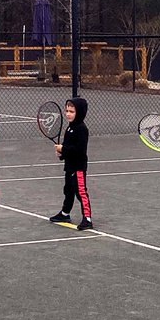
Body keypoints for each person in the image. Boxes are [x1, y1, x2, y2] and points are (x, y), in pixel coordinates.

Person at [48, 97, 93, 230]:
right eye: (67, 111)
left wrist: (63, 149)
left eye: (72, 111)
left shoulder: (81, 129)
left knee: (81, 192)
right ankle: (65, 213)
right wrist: (62, 154)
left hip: (78, 167)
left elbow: (79, 150)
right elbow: (68, 148)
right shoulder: (70, 128)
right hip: (69, 166)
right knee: (68, 190)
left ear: (80, 112)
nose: (68, 114)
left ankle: (87, 218)